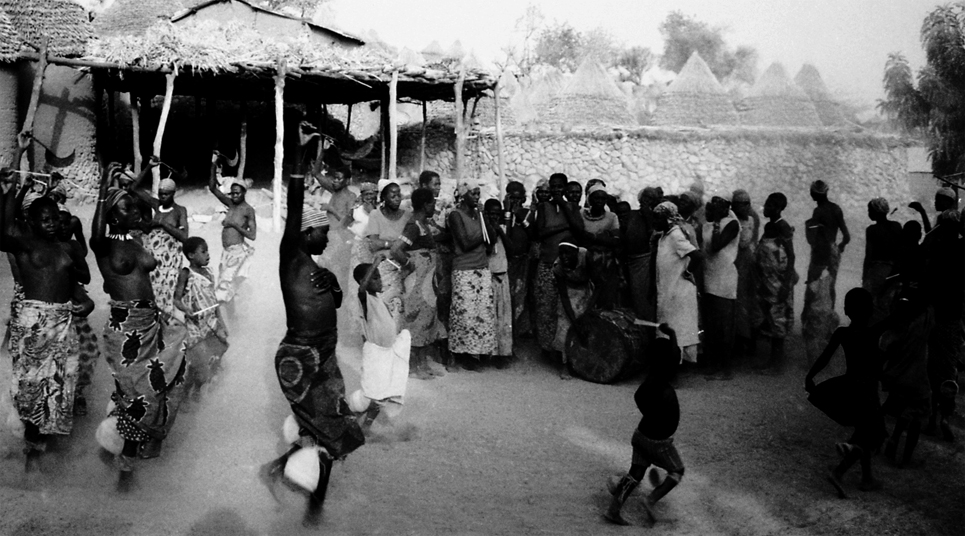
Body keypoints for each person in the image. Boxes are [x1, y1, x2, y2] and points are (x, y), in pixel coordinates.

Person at [260, 133, 363, 526]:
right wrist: (301, 164)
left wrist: (335, 285)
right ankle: (315, 507)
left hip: (324, 354)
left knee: (322, 429)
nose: (327, 236)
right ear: (305, 234)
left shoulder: (318, 271)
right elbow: (297, 205)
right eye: (322, 232)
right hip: (301, 355)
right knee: (329, 430)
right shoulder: (292, 258)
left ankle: (279, 473)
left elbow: (335, 302)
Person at [90, 162, 187, 489]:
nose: (133, 210)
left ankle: (112, 451)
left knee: (155, 386)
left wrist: (140, 178)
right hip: (125, 327)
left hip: (150, 322)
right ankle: (125, 469)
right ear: (112, 215)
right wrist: (105, 187)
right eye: (125, 208)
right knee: (142, 394)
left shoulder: (136, 239)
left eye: (132, 207)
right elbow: (95, 233)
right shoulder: (106, 246)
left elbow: (146, 202)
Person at [1, 153, 90, 469]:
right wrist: (12, 187)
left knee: (61, 383)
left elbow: (78, 285)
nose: (52, 222)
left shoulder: (65, 249)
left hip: (63, 322)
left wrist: (82, 303)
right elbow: (5, 229)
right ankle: (31, 450)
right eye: (46, 218)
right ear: (34, 223)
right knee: (31, 388)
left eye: (55, 217)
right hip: (34, 322)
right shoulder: (26, 245)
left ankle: (46, 445)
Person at [805, 288, 886, 498]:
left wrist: (810, 376)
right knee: (871, 434)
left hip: (851, 387)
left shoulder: (843, 333)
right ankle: (839, 470)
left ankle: (867, 478)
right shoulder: (873, 332)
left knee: (865, 430)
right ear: (870, 310)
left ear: (846, 310)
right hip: (868, 391)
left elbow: (824, 358)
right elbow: (898, 318)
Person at [605, 324, 684, 526]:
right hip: (659, 442)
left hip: (641, 435)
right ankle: (651, 499)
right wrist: (672, 332)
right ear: (670, 362)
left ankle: (614, 511)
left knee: (635, 474)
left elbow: (638, 396)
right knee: (677, 471)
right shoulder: (666, 385)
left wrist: (649, 414)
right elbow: (674, 355)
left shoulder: (650, 380)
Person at [346, 257, 411, 427]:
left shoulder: (379, 300)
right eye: (374, 278)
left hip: (386, 354)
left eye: (380, 276)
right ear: (364, 281)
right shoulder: (365, 299)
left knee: (381, 395)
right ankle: (349, 416)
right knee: (372, 395)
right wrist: (375, 263)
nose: (380, 281)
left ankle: (365, 426)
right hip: (375, 354)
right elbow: (361, 289)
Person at [393, 187, 447, 379]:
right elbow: (396, 250)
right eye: (432, 202)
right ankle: (413, 366)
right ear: (425, 205)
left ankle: (422, 363)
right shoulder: (414, 226)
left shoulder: (423, 224)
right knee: (415, 319)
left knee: (427, 319)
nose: (434, 206)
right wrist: (409, 265)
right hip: (417, 282)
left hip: (427, 283)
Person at [921, 209, 964, 441]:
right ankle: (945, 416)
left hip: (934, 314)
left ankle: (931, 417)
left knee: (931, 368)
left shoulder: (936, 249)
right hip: (952, 316)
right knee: (948, 369)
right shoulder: (961, 249)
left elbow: (926, 275)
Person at [129, 157, 189, 322]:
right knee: (153, 295)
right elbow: (134, 187)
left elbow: (185, 237)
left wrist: (164, 224)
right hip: (154, 261)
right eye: (161, 194)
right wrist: (149, 166)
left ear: (173, 193)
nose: (162, 197)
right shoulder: (156, 205)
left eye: (166, 194)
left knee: (169, 297)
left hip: (170, 264)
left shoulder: (179, 211)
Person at [879, 288, 933, 467]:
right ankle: (906, 459)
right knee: (917, 415)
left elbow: (885, 350)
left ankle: (894, 438)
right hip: (917, 379)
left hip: (896, 377)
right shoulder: (923, 322)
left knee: (904, 409)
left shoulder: (897, 328)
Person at [173, 237, 229, 406]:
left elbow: (213, 302)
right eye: (203, 252)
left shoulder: (210, 272)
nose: (207, 255)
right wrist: (186, 309)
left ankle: (197, 388)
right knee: (199, 364)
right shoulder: (186, 274)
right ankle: (185, 394)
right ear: (190, 255)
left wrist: (222, 322)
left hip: (211, 322)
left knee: (220, 348)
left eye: (208, 251)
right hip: (194, 326)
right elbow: (176, 299)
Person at [447, 181, 497, 369]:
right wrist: (482, 231)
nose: (477, 197)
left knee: (482, 313)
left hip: (482, 268)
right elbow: (465, 243)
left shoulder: (479, 215)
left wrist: (484, 218)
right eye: (473, 194)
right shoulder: (455, 215)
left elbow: (491, 238)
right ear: (463, 195)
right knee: (465, 314)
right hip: (464, 269)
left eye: (478, 194)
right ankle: (462, 354)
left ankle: (479, 352)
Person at [535, 173, 584, 357]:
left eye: (559, 187)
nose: (556, 190)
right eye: (553, 186)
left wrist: (564, 205)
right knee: (545, 307)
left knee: (564, 309)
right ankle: (547, 348)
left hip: (566, 265)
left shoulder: (571, 206)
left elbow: (579, 229)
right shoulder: (544, 207)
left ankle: (564, 349)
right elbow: (541, 233)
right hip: (547, 262)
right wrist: (564, 227)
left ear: (565, 188)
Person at [57, 206, 98, 417]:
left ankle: (78, 393)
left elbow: (86, 277)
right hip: (54, 303)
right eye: (59, 222)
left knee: (86, 350)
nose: (63, 227)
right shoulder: (46, 245)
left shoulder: (72, 247)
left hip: (74, 298)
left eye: (67, 223)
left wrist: (68, 267)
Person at [653, 201, 702, 364]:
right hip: (670, 290)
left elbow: (697, 256)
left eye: (658, 218)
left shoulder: (675, 235)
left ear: (667, 219)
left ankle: (674, 367)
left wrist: (687, 272)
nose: (654, 222)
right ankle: (671, 365)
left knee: (675, 329)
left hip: (678, 291)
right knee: (671, 328)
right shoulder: (664, 236)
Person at [754, 193, 798, 375]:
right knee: (771, 321)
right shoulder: (770, 226)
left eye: (772, 205)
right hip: (767, 282)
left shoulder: (783, 227)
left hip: (778, 283)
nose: (767, 207)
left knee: (778, 322)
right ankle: (772, 362)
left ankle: (777, 365)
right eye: (767, 204)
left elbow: (791, 255)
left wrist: (786, 284)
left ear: (780, 208)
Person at [208, 150, 256, 306]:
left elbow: (253, 235)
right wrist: (213, 163)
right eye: (232, 193)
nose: (234, 196)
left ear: (243, 193)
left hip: (237, 252)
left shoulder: (248, 210)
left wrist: (234, 225)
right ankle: (233, 317)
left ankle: (225, 318)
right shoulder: (230, 204)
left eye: (237, 193)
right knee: (226, 288)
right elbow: (212, 188)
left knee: (224, 287)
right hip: (226, 253)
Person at [700, 196, 741, 380]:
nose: (707, 212)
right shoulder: (707, 225)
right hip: (710, 276)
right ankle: (712, 363)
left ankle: (726, 366)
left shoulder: (732, 224)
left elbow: (716, 246)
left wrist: (716, 222)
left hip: (724, 279)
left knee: (724, 324)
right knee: (711, 323)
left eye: (719, 204)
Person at [365, 181, 411, 320]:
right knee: (385, 307)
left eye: (399, 195)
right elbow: (373, 243)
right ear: (384, 197)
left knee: (403, 307)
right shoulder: (375, 215)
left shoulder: (407, 215)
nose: (397, 198)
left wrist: (388, 245)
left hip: (404, 265)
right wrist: (394, 244)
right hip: (384, 266)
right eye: (393, 195)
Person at [804, 179, 850, 309]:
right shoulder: (836, 209)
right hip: (832, 251)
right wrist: (838, 247)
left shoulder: (818, 211)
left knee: (813, 287)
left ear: (814, 193)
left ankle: (812, 320)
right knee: (830, 287)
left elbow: (812, 238)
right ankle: (829, 317)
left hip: (820, 253)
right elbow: (846, 237)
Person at [553, 242, 595, 379]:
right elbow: (564, 296)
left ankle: (586, 364)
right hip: (569, 295)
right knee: (565, 329)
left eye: (567, 253)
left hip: (585, 293)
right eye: (561, 253)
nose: (564, 256)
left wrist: (588, 312)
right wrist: (574, 320)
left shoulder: (586, 257)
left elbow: (600, 283)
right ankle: (566, 366)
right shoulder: (558, 267)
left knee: (587, 330)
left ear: (576, 252)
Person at [621, 187, 660, 322]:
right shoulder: (632, 214)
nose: (646, 201)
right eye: (645, 197)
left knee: (643, 296)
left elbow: (653, 237)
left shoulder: (655, 218)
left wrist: (648, 216)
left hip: (644, 261)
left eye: (650, 199)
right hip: (629, 260)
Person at [862, 198, 902, 324]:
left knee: (871, 304)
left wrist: (864, 276)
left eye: (870, 210)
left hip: (876, 271)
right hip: (893, 270)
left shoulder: (872, 230)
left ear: (876, 212)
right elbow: (900, 250)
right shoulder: (896, 226)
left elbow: (868, 255)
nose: (868, 213)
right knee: (886, 304)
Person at [484, 198, 514, 367]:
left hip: (502, 276)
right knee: (489, 316)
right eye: (491, 214)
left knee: (503, 317)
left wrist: (500, 231)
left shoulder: (503, 228)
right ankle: (489, 352)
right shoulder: (483, 229)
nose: (494, 217)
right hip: (487, 276)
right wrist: (492, 230)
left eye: (497, 214)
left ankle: (502, 353)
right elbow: (488, 247)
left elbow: (511, 249)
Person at [581, 183, 621, 310]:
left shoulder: (612, 217)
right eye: (596, 198)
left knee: (605, 297)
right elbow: (580, 237)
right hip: (586, 262)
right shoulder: (581, 214)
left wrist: (593, 238)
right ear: (589, 199)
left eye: (603, 198)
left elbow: (615, 241)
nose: (599, 201)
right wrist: (604, 237)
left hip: (605, 263)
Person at [731, 189, 760, 357]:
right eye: (742, 204)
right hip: (735, 262)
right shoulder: (731, 219)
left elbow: (748, 241)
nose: (746, 207)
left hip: (745, 262)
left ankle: (746, 340)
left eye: (747, 203)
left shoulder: (751, 218)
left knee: (745, 302)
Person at [504, 180, 533, 340]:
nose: (516, 202)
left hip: (523, 263)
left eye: (518, 198)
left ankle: (517, 334)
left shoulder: (527, 214)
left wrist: (518, 215)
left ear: (523, 198)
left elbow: (531, 234)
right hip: (508, 262)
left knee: (520, 299)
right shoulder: (503, 214)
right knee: (507, 299)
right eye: (512, 198)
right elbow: (506, 236)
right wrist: (508, 214)